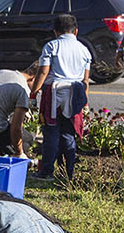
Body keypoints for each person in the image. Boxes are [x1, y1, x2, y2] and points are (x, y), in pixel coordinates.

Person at [28, 14, 91, 180]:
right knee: (68, 133)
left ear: (56, 32)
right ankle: (67, 173)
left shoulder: (51, 46)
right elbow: (85, 80)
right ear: (76, 31)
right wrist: (85, 102)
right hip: (75, 92)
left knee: (51, 132)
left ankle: (47, 171)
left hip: (54, 91)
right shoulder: (84, 50)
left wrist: (33, 93)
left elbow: (43, 71)